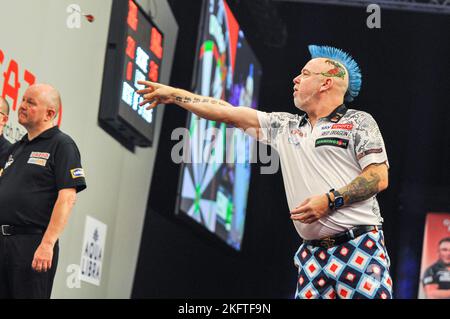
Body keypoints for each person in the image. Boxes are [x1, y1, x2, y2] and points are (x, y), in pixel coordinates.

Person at [136, 44, 392, 299]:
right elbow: (228, 111)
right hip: (312, 255)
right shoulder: (285, 125)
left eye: (305, 73)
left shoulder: (358, 122)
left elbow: (378, 177)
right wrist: (174, 95)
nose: (296, 78)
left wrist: (330, 200)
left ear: (325, 84)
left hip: (359, 245)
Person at [0, 84, 87, 299]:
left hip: (31, 244)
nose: (22, 106)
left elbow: (67, 198)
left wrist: (47, 244)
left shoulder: (62, 145)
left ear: (50, 113)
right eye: (23, 100)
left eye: (31, 103)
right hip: (4, 242)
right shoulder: (17, 147)